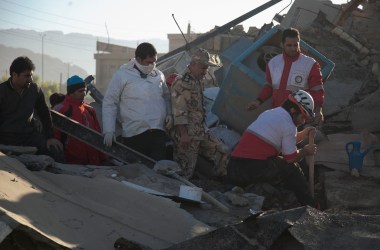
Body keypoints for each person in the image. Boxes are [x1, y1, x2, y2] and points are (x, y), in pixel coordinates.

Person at [228, 90, 317, 207]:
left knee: (278, 163)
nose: (303, 121)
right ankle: (309, 205)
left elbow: (281, 140)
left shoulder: (270, 113)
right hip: (250, 169)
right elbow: (290, 158)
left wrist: (303, 134)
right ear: (294, 111)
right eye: (303, 117)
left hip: (234, 168)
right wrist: (305, 151)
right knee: (291, 168)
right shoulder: (289, 125)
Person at [102, 42, 172, 161]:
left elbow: (166, 96)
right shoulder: (122, 75)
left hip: (158, 132)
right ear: (138, 59)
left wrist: (169, 113)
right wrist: (109, 129)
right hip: (135, 134)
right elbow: (110, 102)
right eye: (148, 62)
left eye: (154, 61)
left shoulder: (158, 75)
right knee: (138, 170)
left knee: (159, 171)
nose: (152, 65)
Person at [170, 48, 229, 180]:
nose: (205, 71)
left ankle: (218, 183)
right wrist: (184, 134)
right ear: (193, 65)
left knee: (221, 151)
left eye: (207, 68)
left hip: (200, 130)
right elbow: (179, 111)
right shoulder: (182, 83)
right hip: (187, 134)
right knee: (185, 171)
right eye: (203, 68)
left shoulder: (197, 80)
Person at [247, 27, 325, 125]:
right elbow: (269, 86)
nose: (293, 48)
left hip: (296, 118)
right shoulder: (273, 63)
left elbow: (317, 90)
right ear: (282, 45)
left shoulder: (310, 64)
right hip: (276, 114)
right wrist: (258, 101)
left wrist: (318, 111)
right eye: (289, 45)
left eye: (295, 45)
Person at [0, 56, 64, 161]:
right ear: (15, 75)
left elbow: (44, 113)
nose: (30, 79)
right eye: (27, 76)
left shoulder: (35, 90)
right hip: (5, 136)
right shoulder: (2, 91)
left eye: (31, 75)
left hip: (28, 135)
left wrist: (50, 137)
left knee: (55, 150)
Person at [54, 75, 108, 165]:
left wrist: (103, 158)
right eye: (80, 91)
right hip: (72, 164)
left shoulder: (90, 110)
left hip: (94, 164)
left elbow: (98, 136)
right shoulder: (61, 110)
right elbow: (56, 137)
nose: (83, 93)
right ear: (71, 92)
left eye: (84, 90)